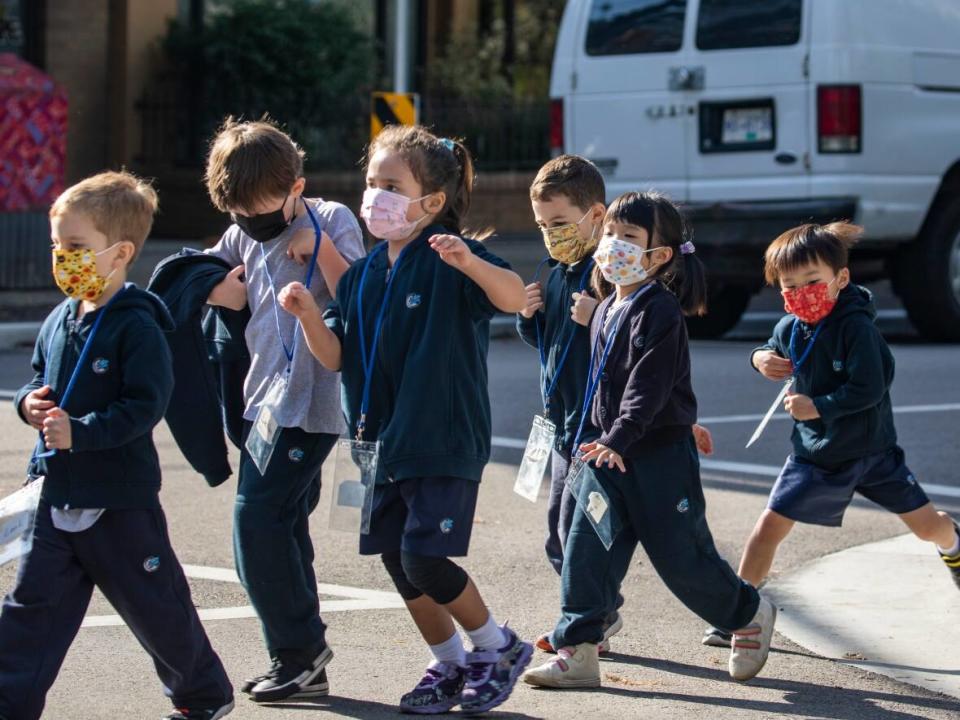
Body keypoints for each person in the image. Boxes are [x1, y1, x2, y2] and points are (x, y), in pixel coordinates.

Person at [277, 125, 532, 715]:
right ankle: (448, 662)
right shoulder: (366, 273)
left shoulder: (449, 255)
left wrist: (471, 263)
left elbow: (515, 296)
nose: (376, 197)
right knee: (397, 559)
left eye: (392, 185)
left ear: (433, 202)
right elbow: (338, 356)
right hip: (377, 443)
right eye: (372, 183)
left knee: (423, 557)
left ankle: (497, 647)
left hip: (439, 438)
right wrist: (312, 314)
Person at [0, 171, 234, 720]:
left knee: (155, 607)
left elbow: (144, 405)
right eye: (57, 246)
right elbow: (38, 379)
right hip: (57, 495)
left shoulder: (138, 325)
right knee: (29, 609)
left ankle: (203, 695)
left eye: (76, 247)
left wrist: (83, 432)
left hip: (120, 503)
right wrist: (28, 405)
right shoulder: (60, 318)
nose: (63, 258)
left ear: (120, 252)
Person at [522, 191, 775, 690]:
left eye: (630, 238)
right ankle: (578, 649)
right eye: (611, 234)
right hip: (606, 455)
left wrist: (632, 433)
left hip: (654, 459)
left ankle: (746, 613)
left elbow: (651, 385)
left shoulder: (658, 309)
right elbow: (604, 380)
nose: (614, 245)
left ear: (659, 256)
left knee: (682, 559)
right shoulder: (607, 304)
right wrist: (600, 439)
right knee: (586, 551)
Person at [701, 221, 960, 647]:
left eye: (812, 280)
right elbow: (770, 345)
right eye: (789, 284)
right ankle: (738, 611)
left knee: (928, 527)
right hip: (814, 455)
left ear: (841, 278)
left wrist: (817, 406)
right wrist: (760, 358)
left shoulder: (857, 328)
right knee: (768, 526)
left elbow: (871, 388)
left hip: (873, 453)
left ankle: (952, 542)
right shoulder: (791, 326)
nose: (801, 292)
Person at [516, 156, 715, 656]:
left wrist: (594, 318)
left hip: (601, 432)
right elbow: (551, 345)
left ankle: (589, 622)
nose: (550, 235)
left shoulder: (605, 278)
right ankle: (590, 616)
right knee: (560, 537)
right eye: (542, 226)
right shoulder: (557, 273)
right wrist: (528, 318)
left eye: (559, 223)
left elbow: (632, 366)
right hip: (565, 427)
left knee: (583, 533)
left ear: (596, 217)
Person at [203, 118, 366, 702]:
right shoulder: (242, 230)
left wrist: (319, 251)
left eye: (262, 208)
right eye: (239, 212)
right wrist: (215, 287)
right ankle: (300, 658)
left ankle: (299, 651)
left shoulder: (333, 219)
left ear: (297, 184)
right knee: (283, 525)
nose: (251, 222)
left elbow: (361, 298)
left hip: (311, 403)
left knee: (257, 524)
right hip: (262, 406)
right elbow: (210, 271)